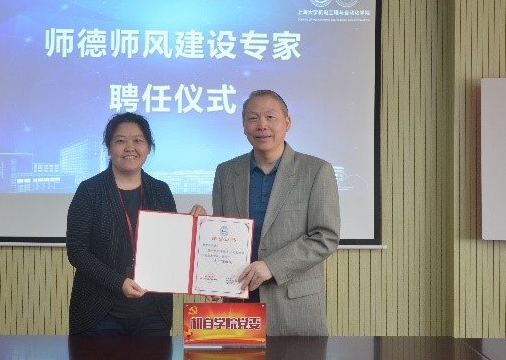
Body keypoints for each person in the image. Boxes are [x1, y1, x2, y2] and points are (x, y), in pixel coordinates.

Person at [212, 89, 341, 336]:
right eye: (253, 118)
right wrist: (213, 280)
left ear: (287, 122)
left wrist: (271, 266)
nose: (262, 125)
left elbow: (325, 237)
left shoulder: (316, 171)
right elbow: (221, 235)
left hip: (294, 307)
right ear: (244, 126)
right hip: (239, 303)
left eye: (270, 117)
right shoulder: (226, 173)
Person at [66, 112, 206, 335]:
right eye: (120, 140)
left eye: (138, 140)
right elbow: (77, 252)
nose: (129, 147)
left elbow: (173, 248)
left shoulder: (160, 191)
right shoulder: (89, 191)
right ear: (108, 148)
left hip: (153, 313)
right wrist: (118, 282)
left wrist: (196, 226)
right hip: (99, 313)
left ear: (148, 147)